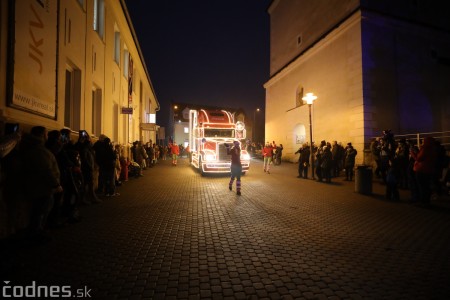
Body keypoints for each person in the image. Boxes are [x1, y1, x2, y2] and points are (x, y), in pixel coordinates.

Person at [20, 126, 62, 242]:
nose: (47, 136)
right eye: (46, 134)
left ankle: (37, 231)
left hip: (38, 186)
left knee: (39, 210)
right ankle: (35, 234)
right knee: (41, 211)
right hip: (42, 187)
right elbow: (46, 170)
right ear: (42, 135)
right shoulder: (38, 150)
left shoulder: (36, 147)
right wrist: (56, 184)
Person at [411, 137, 437, 207]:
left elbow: (418, 158)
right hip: (428, 170)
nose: (422, 142)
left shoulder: (425, 148)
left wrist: (412, 153)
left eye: (423, 141)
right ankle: (427, 201)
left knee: (422, 187)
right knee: (426, 186)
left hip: (421, 169)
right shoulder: (433, 148)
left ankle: (423, 202)